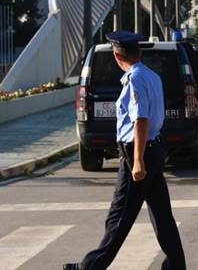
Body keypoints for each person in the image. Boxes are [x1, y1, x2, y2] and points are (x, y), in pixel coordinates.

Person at [65, 31, 186, 270]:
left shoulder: (135, 79)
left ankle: (90, 267)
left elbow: (140, 119)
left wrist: (138, 161)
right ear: (138, 52)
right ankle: (176, 265)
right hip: (153, 147)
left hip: (137, 152)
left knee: (119, 216)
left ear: (117, 55)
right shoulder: (152, 76)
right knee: (162, 215)